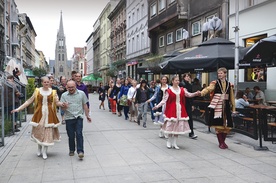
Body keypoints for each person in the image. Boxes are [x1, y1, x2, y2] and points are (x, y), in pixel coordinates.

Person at [11, 76, 64, 159]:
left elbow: (57, 102)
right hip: (39, 114)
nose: (46, 83)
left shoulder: (53, 92)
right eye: (45, 82)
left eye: (48, 82)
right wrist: (18, 109)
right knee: (39, 131)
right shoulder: (37, 91)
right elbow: (29, 101)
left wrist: (62, 104)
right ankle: (39, 147)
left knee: (47, 133)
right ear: (42, 83)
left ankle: (44, 151)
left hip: (50, 115)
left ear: (50, 82)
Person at [153, 76, 200, 149]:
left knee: (178, 126)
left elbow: (189, 95)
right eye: (176, 80)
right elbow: (164, 100)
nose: (177, 82)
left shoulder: (182, 89)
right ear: (172, 81)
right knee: (170, 125)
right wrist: (157, 106)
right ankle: (168, 141)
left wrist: (196, 93)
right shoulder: (169, 90)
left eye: (178, 80)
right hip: (172, 110)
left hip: (180, 110)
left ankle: (174, 142)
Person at [200, 67, 236, 149]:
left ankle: (223, 141)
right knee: (218, 124)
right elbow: (209, 89)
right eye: (218, 73)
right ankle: (221, 142)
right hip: (217, 106)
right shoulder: (215, 83)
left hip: (226, 106)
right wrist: (201, 93)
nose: (219, 75)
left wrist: (233, 108)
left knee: (227, 125)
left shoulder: (229, 84)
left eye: (221, 73)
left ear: (225, 74)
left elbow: (232, 97)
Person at [60, 80, 91, 160]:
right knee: (71, 135)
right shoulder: (64, 95)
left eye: (72, 87)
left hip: (78, 117)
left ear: (75, 86)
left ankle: (80, 151)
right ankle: (72, 149)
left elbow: (85, 105)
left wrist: (87, 115)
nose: (71, 89)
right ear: (67, 87)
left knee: (79, 134)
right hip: (69, 117)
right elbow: (62, 109)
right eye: (69, 87)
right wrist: (64, 106)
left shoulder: (81, 94)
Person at [179, 73, 198, 139]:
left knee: (190, 118)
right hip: (182, 103)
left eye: (189, 76)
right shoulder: (181, 84)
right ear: (184, 77)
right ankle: (178, 130)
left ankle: (191, 133)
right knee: (180, 117)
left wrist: (192, 104)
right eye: (186, 76)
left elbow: (191, 96)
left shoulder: (190, 85)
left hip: (188, 103)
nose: (188, 77)